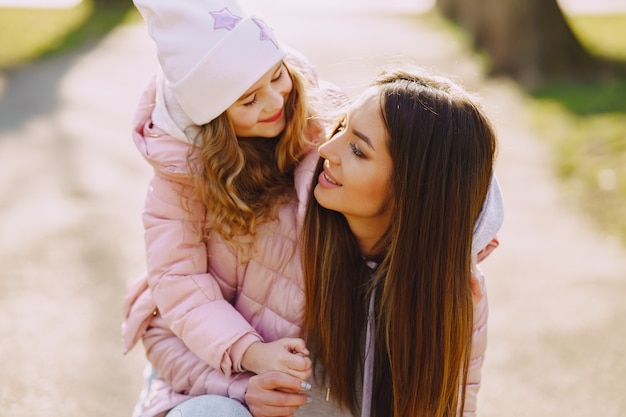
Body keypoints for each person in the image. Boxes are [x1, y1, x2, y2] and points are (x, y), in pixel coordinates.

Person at [120, 0, 344, 416]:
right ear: (214, 118)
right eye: (248, 100)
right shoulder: (181, 177)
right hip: (208, 356)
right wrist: (251, 354)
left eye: (278, 75)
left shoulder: (321, 120)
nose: (277, 99)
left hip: (299, 360)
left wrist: (472, 225)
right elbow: (178, 281)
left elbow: (402, 154)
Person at [245, 65, 503, 417]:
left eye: (358, 151)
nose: (327, 150)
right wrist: (239, 388)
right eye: (341, 128)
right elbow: (168, 325)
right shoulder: (273, 223)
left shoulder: (456, 289)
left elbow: (454, 407)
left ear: (413, 193)